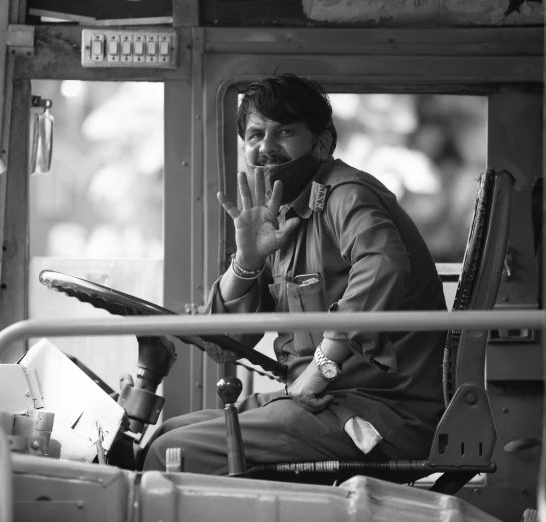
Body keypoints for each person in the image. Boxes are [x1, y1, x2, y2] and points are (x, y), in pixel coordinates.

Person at [139, 73, 447, 475]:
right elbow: (227, 340)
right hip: (326, 402)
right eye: (255, 135)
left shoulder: (345, 194)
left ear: (322, 142)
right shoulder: (282, 217)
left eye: (284, 132)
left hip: (382, 413)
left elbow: (383, 263)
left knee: (171, 455)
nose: (266, 147)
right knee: (167, 433)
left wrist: (323, 366)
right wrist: (246, 262)